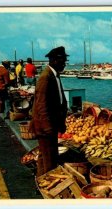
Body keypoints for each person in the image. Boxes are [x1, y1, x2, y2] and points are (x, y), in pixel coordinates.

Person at [29, 46, 68, 176]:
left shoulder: (54, 75)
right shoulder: (46, 77)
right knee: (50, 159)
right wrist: (48, 128)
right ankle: (49, 184)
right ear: (54, 60)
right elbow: (41, 105)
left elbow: (59, 100)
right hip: (45, 126)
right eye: (62, 60)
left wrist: (61, 123)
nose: (64, 64)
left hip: (51, 124)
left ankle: (41, 182)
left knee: (44, 156)